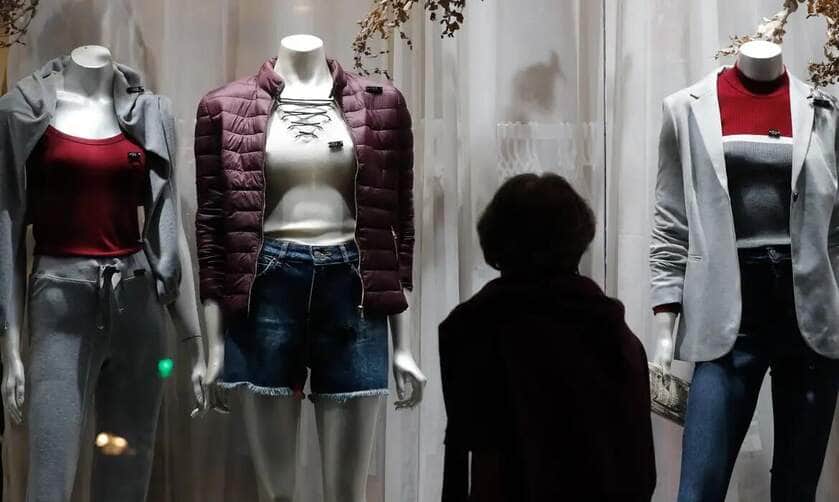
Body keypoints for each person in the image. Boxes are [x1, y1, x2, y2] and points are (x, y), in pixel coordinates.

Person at [439, 173, 656, 502]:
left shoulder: (470, 326)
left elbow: (475, 459)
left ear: (495, 238)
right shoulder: (614, 331)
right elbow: (640, 468)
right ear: (578, 237)